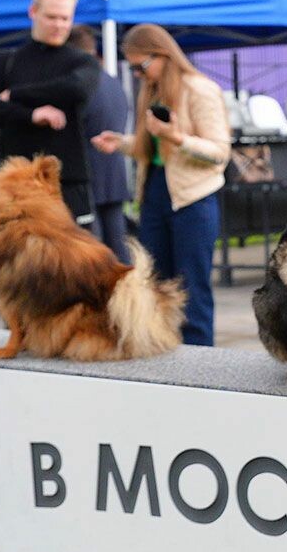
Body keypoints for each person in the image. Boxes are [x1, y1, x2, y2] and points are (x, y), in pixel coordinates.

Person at [91, 24, 231, 347]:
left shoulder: (199, 89)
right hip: (155, 195)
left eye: (141, 66)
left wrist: (176, 137)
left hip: (193, 199)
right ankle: (164, 351)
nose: (138, 74)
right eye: (132, 67)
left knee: (191, 288)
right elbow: (152, 151)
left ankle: (198, 360)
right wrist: (123, 143)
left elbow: (219, 152)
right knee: (154, 284)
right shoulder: (151, 89)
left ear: (163, 55)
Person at [0, 0, 99, 225]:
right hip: (13, 181)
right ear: (33, 12)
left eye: (65, 19)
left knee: (73, 260)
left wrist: (16, 94)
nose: (59, 25)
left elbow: (77, 88)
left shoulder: (81, 62)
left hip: (67, 182)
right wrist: (29, 115)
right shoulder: (6, 61)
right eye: (51, 17)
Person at [68, 25, 133, 265]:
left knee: (92, 256)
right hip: (113, 173)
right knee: (119, 252)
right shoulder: (112, 81)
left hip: (84, 176)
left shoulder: (80, 83)